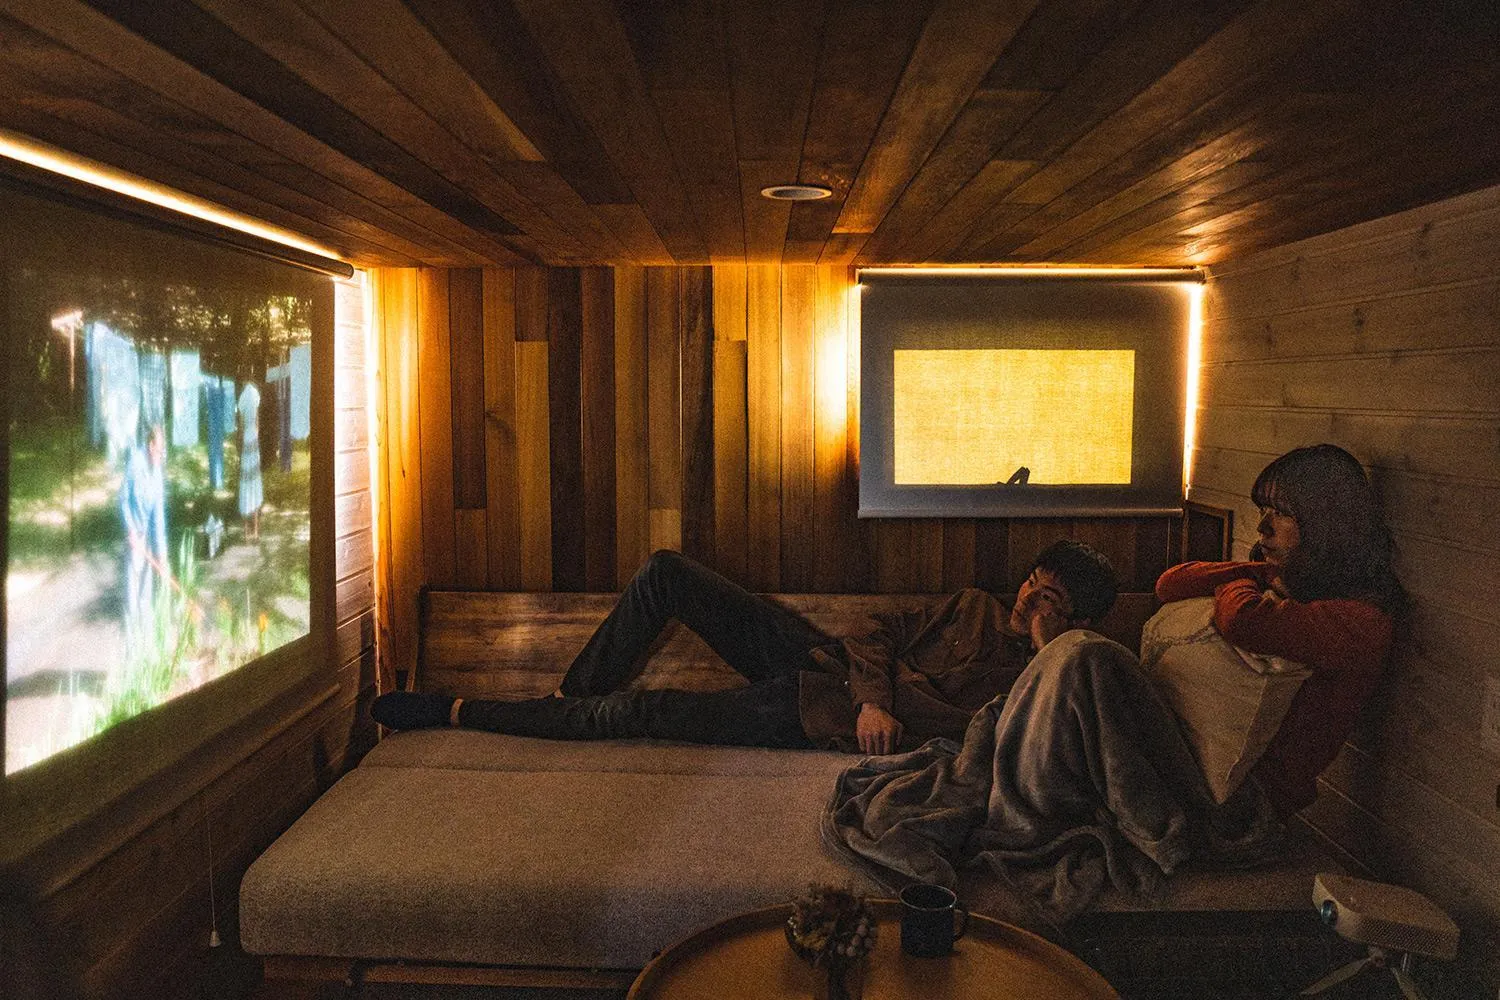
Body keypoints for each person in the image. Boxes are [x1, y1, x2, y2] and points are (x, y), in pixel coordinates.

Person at [372, 540, 1119, 754]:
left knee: (643, 711)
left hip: (811, 714)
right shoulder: (973, 605)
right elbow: (875, 631)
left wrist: (1048, 648)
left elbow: (1011, 743)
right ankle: (565, 697)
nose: (1027, 600)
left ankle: (459, 710)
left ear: (1074, 620)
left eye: (1048, 600)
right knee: (667, 572)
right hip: (827, 667)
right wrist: (873, 696)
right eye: (1032, 583)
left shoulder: (1055, 680)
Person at [1154, 443, 1402, 816]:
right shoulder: (1295, 582)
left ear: (1325, 524)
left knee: (1092, 663)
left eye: (1281, 513)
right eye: (1263, 511)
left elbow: (1244, 620)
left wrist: (1242, 582)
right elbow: (1170, 584)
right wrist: (1263, 572)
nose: (1262, 527)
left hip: (1246, 804)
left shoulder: (1360, 621)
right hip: (1195, 768)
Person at [121, 423, 169, 646]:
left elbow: (159, 514)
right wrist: (130, 528)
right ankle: (132, 646)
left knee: (146, 593)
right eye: (159, 450)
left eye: (163, 451)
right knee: (133, 595)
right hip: (134, 537)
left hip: (148, 536)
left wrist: (162, 553)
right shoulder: (135, 463)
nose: (161, 455)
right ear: (150, 446)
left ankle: (147, 648)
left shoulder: (157, 471)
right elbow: (123, 499)